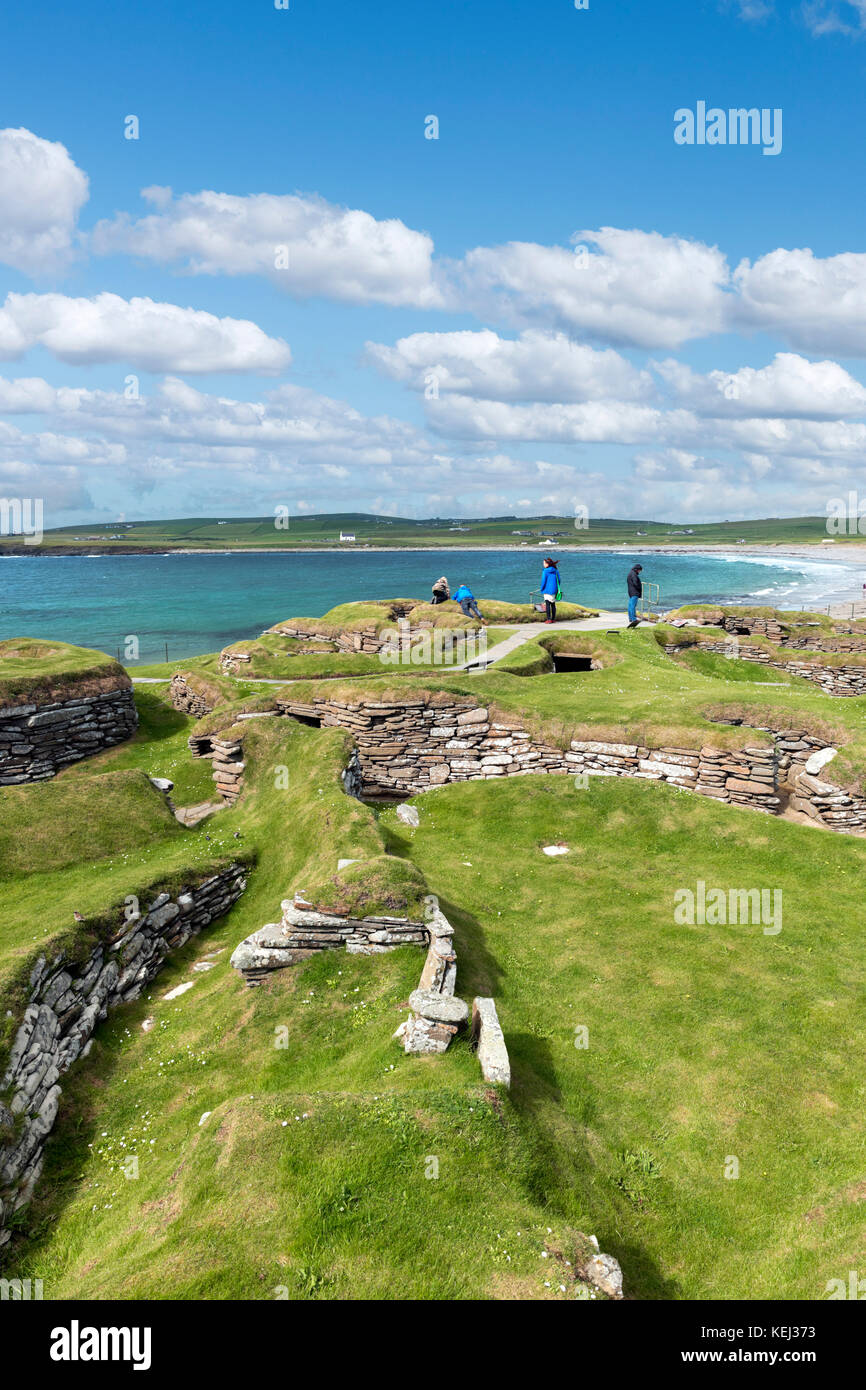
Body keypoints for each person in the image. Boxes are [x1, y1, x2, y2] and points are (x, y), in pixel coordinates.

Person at [540, 557, 561, 623]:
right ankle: (553, 619)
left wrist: (541, 588)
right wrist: (556, 587)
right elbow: (559, 580)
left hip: (547, 589)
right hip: (554, 589)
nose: (543, 564)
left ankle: (549, 619)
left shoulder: (545, 571)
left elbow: (543, 581)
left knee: (547, 604)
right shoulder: (556, 570)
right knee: (553, 604)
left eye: (544, 563)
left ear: (547, 564)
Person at [626, 563, 643, 627]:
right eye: (639, 570)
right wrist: (639, 588)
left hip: (631, 591)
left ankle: (631, 618)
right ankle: (633, 619)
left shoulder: (630, 573)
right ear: (637, 569)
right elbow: (635, 583)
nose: (640, 572)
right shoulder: (634, 575)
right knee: (633, 605)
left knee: (630, 605)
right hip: (634, 592)